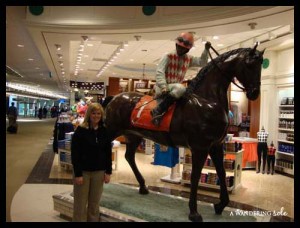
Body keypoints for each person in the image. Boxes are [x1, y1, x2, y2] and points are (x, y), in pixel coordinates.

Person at [151, 32, 211, 126]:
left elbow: (202, 62)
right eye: (179, 47)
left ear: (187, 50)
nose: (181, 49)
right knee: (181, 88)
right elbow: (159, 72)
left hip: (175, 91)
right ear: (176, 45)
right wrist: (163, 87)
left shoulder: (188, 59)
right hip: (164, 88)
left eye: (183, 48)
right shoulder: (168, 56)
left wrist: (206, 50)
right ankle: (158, 110)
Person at [71, 103, 113, 222]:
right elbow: (75, 154)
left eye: (98, 113)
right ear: (89, 114)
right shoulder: (80, 130)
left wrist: (108, 172)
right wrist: (78, 173)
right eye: (93, 113)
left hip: (98, 173)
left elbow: (107, 153)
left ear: (102, 115)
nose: (96, 116)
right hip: (83, 173)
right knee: (80, 205)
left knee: (94, 205)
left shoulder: (104, 131)